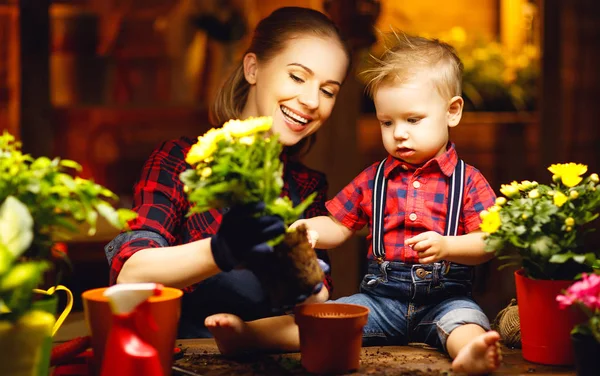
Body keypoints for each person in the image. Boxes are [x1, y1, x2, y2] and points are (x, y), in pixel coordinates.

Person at [205, 34, 502, 374]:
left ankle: (470, 355)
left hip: (444, 301)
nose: (398, 133)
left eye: (413, 120)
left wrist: (448, 245)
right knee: (324, 318)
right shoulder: (374, 179)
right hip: (380, 301)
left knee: (467, 322)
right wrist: (304, 229)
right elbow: (338, 224)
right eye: (387, 122)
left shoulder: (468, 181)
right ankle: (249, 335)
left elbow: (489, 241)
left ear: (452, 112)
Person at [104, 6, 351, 338]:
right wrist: (222, 250)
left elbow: (314, 311)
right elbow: (129, 272)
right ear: (252, 68)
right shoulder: (179, 161)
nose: (310, 100)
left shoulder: (306, 187)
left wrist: (301, 275)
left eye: (328, 91)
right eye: (296, 76)